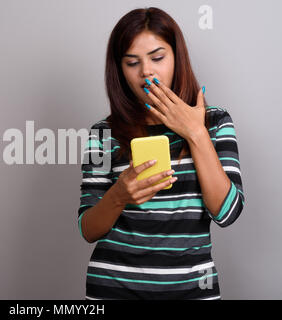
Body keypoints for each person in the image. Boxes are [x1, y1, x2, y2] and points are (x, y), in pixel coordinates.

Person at [77, 7, 245, 300]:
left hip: (192, 291)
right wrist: (119, 195)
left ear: (177, 58)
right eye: (132, 62)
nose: (146, 72)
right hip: (112, 289)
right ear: (119, 69)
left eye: (157, 58)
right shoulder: (102, 134)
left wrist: (195, 132)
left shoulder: (215, 123)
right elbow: (88, 229)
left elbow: (227, 212)